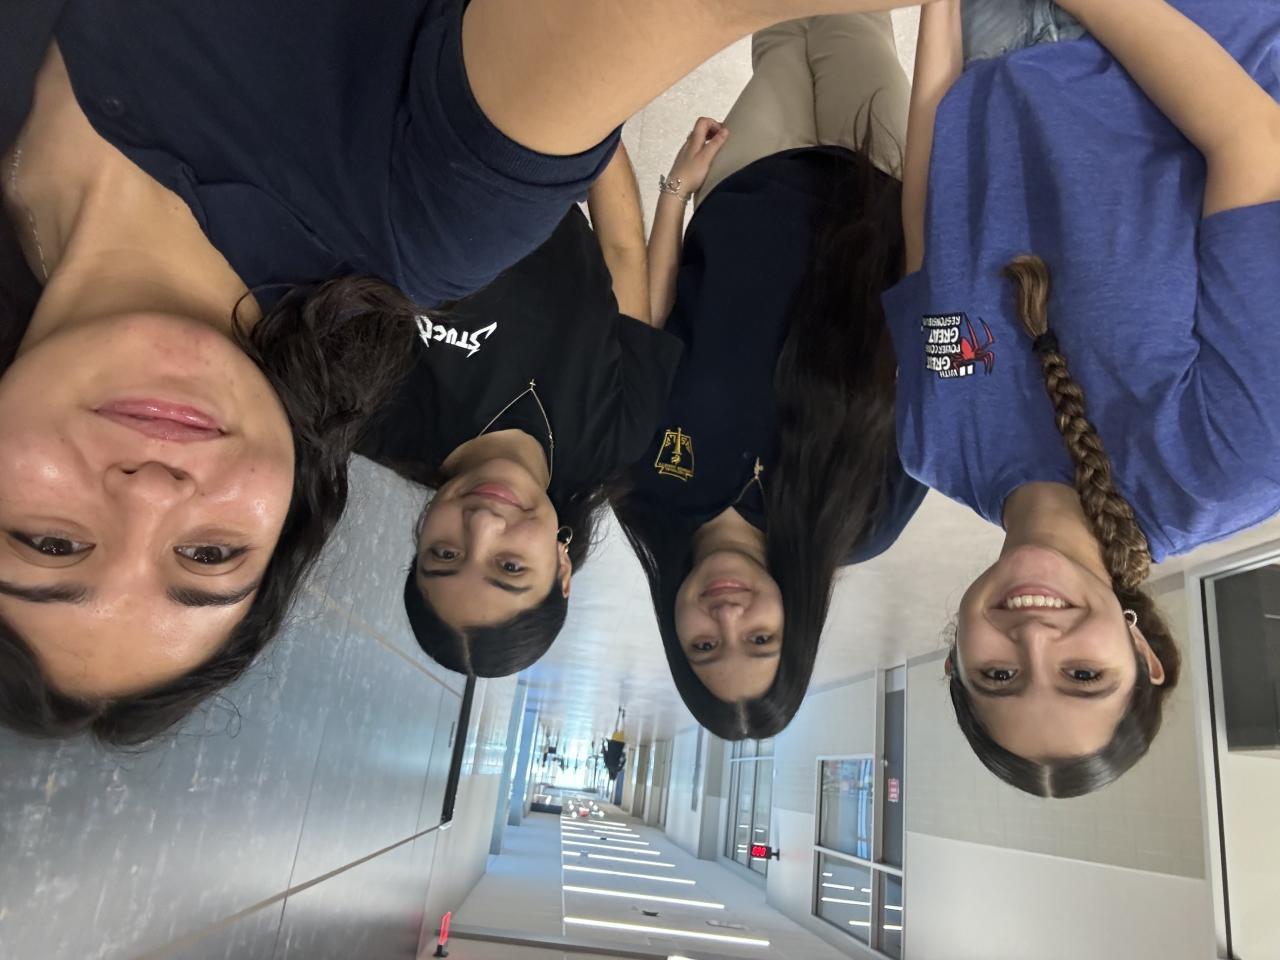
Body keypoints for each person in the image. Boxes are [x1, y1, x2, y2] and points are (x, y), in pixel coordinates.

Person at [0, 0, 939, 745]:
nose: (149, 494)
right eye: (208, 557)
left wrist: (592, 135)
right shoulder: (661, 472)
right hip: (848, 197)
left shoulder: (383, 367)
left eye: (49, 542)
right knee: (827, 38)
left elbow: (625, 271)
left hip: (675, 171)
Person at [888, 0, 1280, 795]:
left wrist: (941, 13)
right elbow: (1251, 144)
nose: (1034, 639)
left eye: (998, 677)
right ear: (1143, 655)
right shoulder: (1230, 468)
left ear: (955, 661)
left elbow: (929, 221)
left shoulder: (933, 447)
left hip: (992, 50)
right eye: (1083, 676)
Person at [614, 14, 928, 742]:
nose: (727, 616)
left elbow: (651, 322)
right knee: (852, 25)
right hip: (877, 184)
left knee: (778, 33)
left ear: (676, 635)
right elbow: (927, 360)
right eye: (759, 640)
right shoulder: (863, 521)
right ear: (797, 629)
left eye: (704, 645)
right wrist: (933, 212)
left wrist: (675, 191)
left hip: (744, 185)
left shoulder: (640, 487)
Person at [357, 145, 682, 678]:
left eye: (444, 555)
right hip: (544, 151)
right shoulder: (618, 435)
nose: (482, 525)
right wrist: (594, 128)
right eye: (509, 566)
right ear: (561, 570)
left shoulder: (376, 412)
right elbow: (622, 251)